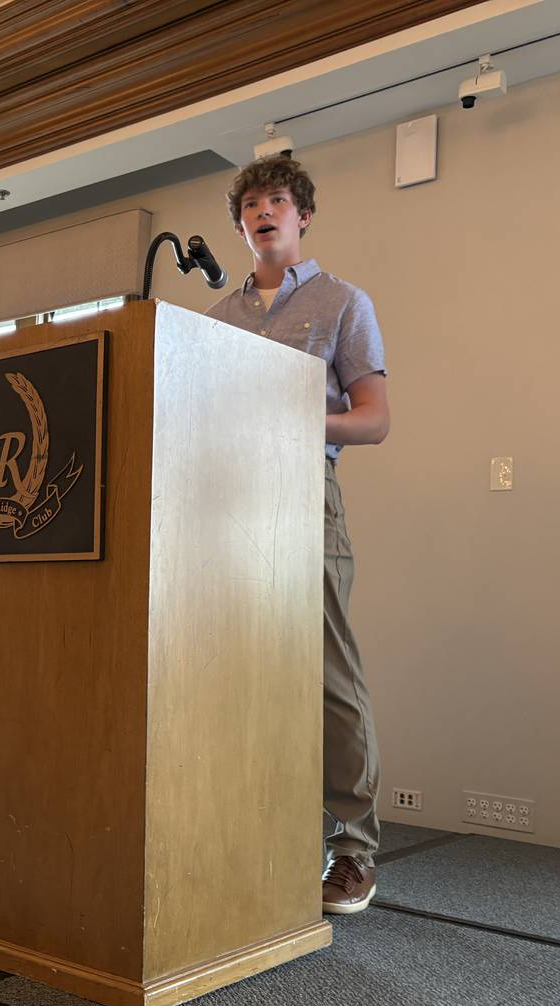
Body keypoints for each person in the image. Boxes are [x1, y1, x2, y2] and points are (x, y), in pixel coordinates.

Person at [206, 154, 390, 915]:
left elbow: (375, 420)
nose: (264, 211)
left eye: (277, 199)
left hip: (303, 488)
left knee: (327, 670)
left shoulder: (343, 301)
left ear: (302, 214)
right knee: (240, 667)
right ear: (241, 222)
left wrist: (297, 418)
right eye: (251, 203)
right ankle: (263, 834)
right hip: (221, 498)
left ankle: (353, 852)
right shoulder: (217, 318)